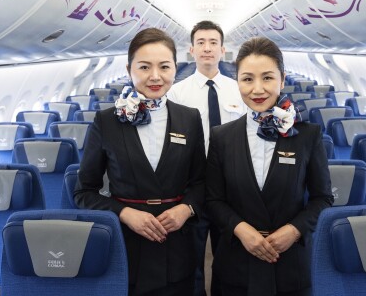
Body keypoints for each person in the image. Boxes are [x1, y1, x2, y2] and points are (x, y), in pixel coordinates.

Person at [74, 28, 206, 296]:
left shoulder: (189, 118)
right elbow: (84, 192)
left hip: (177, 244)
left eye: (164, 67)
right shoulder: (107, 121)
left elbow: (202, 183)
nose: (155, 76)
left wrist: (186, 210)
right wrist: (124, 213)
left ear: (175, 68)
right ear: (129, 68)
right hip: (126, 244)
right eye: (144, 67)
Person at [206, 37, 333, 296]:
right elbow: (213, 200)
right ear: (237, 81)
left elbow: (322, 199)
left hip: (290, 265)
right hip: (236, 262)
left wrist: (294, 230)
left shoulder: (308, 135)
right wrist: (242, 231)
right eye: (248, 79)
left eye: (267, 78)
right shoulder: (221, 136)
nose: (257, 89)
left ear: (282, 80)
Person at [167, 20, 246, 296]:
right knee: (193, 256)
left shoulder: (239, 89)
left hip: (231, 184)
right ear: (191, 50)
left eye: (213, 42)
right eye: (201, 42)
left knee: (230, 255)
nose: (207, 48)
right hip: (194, 183)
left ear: (223, 49)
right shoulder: (177, 92)